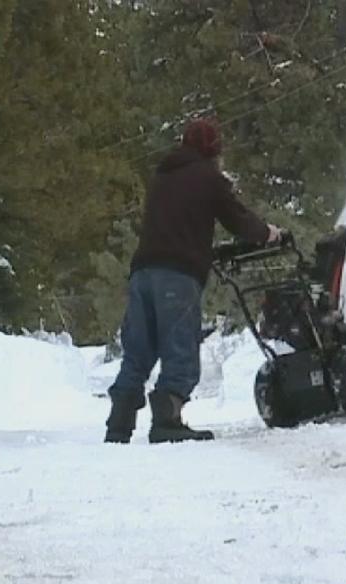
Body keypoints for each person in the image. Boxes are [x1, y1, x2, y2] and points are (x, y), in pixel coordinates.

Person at [105, 118, 279, 444]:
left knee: (138, 350)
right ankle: (167, 420)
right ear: (213, 150)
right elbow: (238, 221)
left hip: (143, 272)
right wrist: (268, 233)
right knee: (179, 348)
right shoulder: (208, 177)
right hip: (177, 275)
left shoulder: (162, 174)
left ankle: (119, 424)